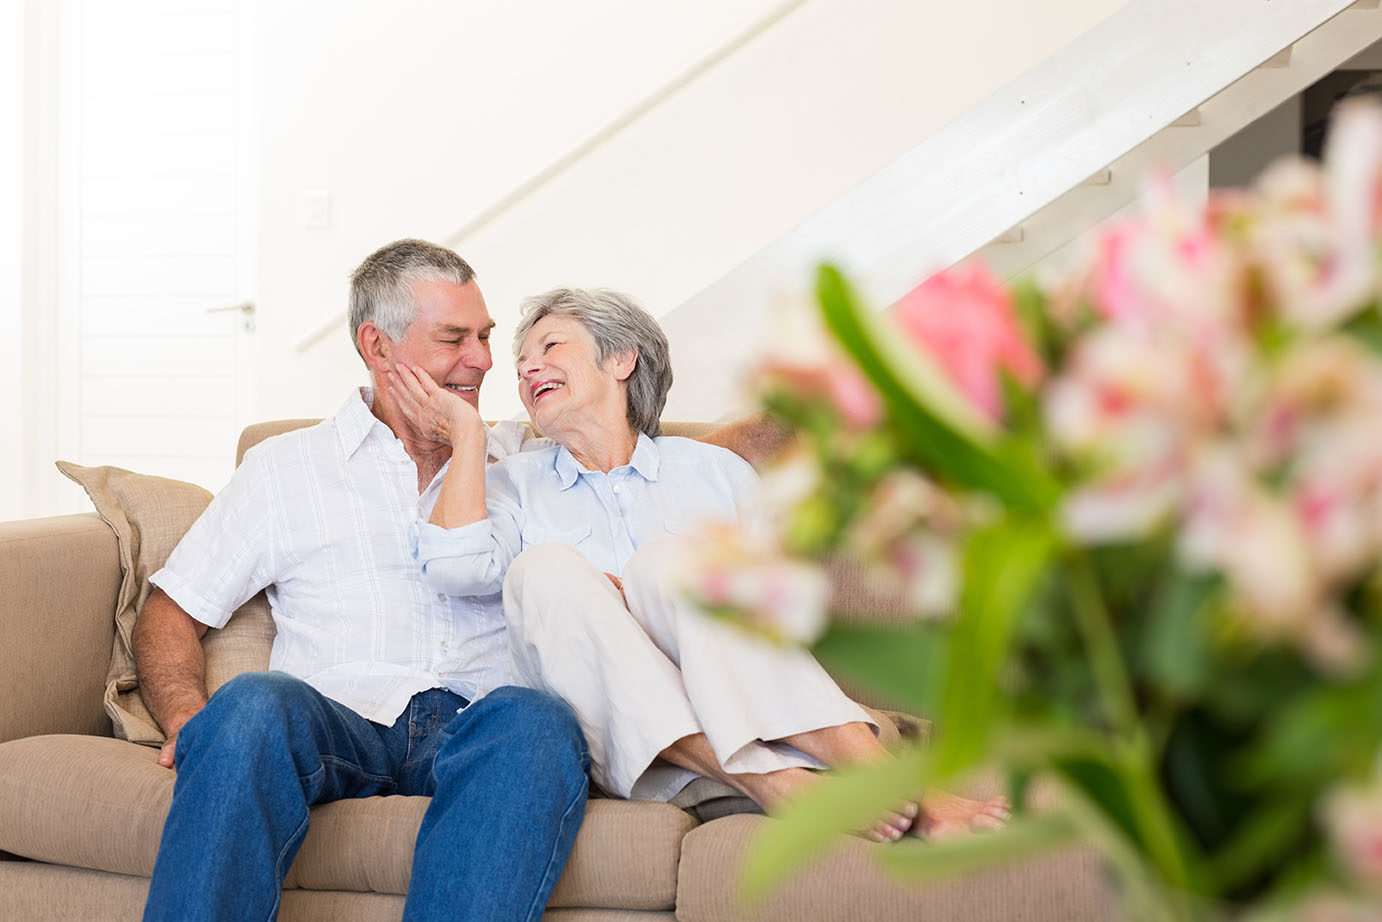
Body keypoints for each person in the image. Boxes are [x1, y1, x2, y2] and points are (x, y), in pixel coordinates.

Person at [388, 287, 1012, 843]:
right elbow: (456, 568)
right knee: (543, 571)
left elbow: (783, 613)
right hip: (629, 738)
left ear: (621, 359)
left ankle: (895, 789)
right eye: (522, 361)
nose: (526, 368)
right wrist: (469, 436)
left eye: (550, 346)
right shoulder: (513, 483)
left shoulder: (714, 472)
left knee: (668, 565)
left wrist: (638, 598)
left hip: (748, 702)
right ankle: (766, 780)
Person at [132, 239, 598, 922]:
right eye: (454, 339)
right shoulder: (286, 468)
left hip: (478, 723)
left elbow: (657, 466)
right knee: (251, 704)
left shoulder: (528, 458)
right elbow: (171, 612)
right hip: (337, 720)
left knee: (538, 722)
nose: (484, 360)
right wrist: (187, 721)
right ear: (378, 348)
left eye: (486, 337)